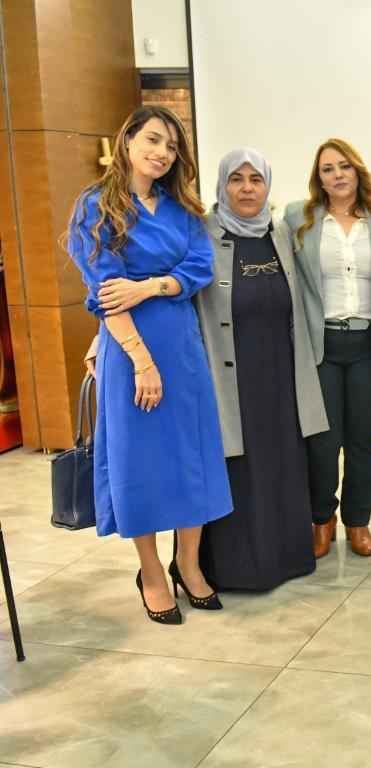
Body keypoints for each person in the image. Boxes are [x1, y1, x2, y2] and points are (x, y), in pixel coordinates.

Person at [66, 105, 231, 624]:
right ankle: (152, 573)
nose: (163, 153)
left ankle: (189, 563)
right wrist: (141, 362)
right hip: (131, 351)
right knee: (141, 463)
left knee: (191, 456)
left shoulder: (182, 209)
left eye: (172, 146)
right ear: (128, 140)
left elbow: (199, 267)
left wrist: (149, 286)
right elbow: (105, 293)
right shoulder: (96, 207)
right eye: (154, 140)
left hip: (182, 347)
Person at [195, 149, 329, 590]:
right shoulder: (203, 235)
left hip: (281, 371)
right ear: (222, 185)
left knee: (283, 462)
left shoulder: (279, 231)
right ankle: (237, 568)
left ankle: (287, 558)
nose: (247, 188)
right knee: (241, 466)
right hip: (231, 374)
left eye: (256, 179)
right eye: (236, 179)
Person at [283, 139, 371, 558]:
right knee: (323, 442)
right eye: (328, 169)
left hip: (370, 344)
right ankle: (322, 520)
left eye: (344, 166)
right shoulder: (298, 217)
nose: (337, 175)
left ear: (358, 170)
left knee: (365, 439)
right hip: (321, 345)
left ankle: (358, 521)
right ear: (319, 178)